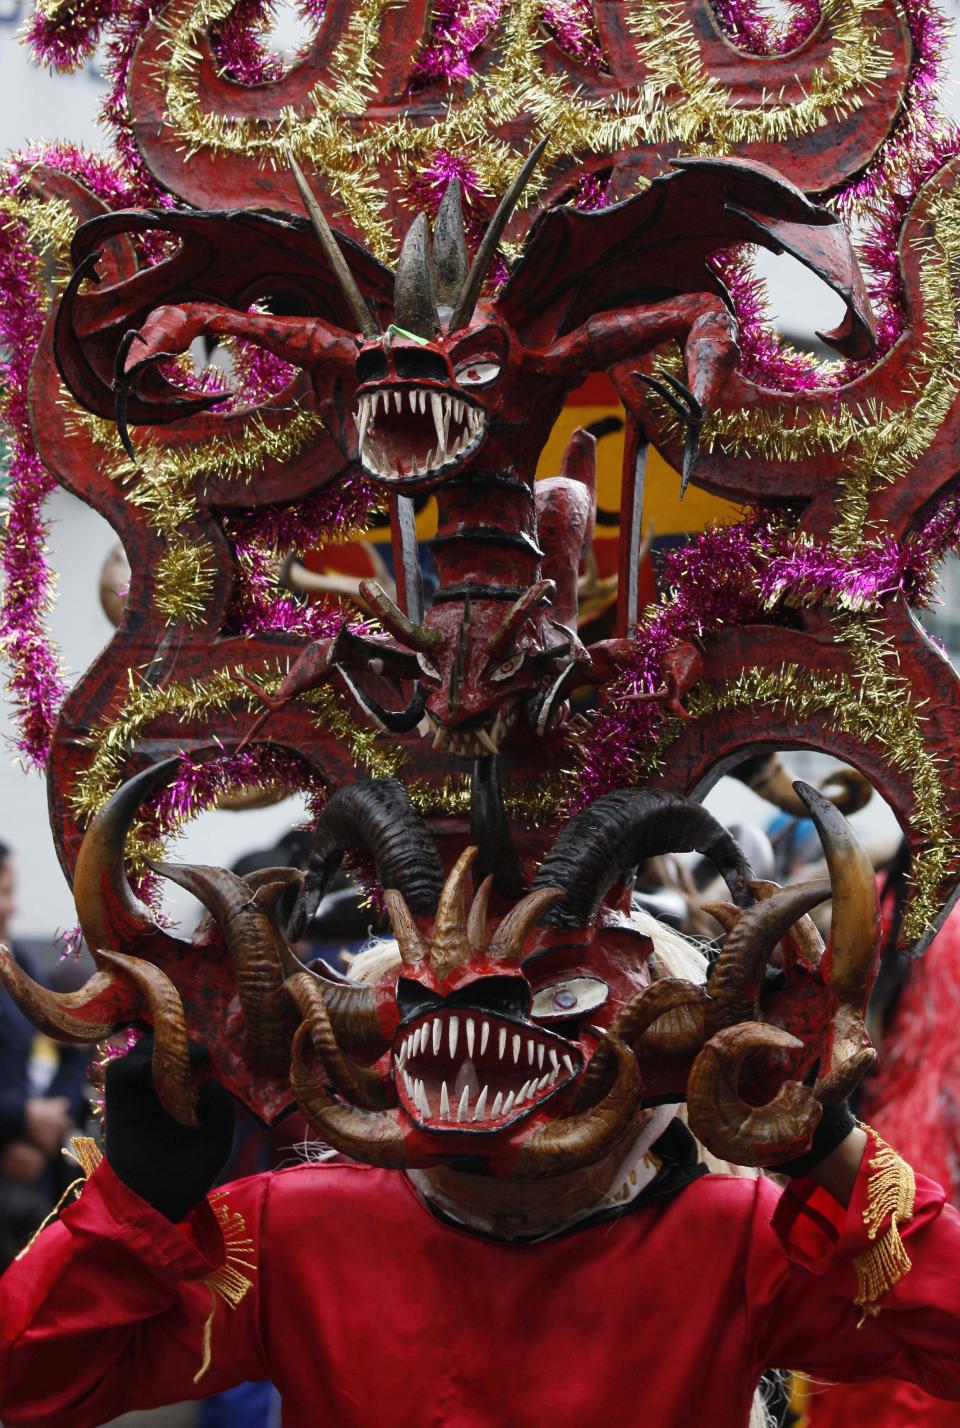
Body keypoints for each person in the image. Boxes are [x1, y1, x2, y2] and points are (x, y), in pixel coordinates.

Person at [1, 905, 958, 1428]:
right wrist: (136, 1200)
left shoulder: (730, 1239)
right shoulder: (294, 1230)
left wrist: (833, 1149)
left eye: (562, 991)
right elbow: (28, 1385)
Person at [0, 841, 90, 1268]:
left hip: (34, 1169)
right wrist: (21, 1119)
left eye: (11, 893)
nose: (10, 909)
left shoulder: (18, 963)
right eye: (1, 896)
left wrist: (47, 1121)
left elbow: (70, 1049)